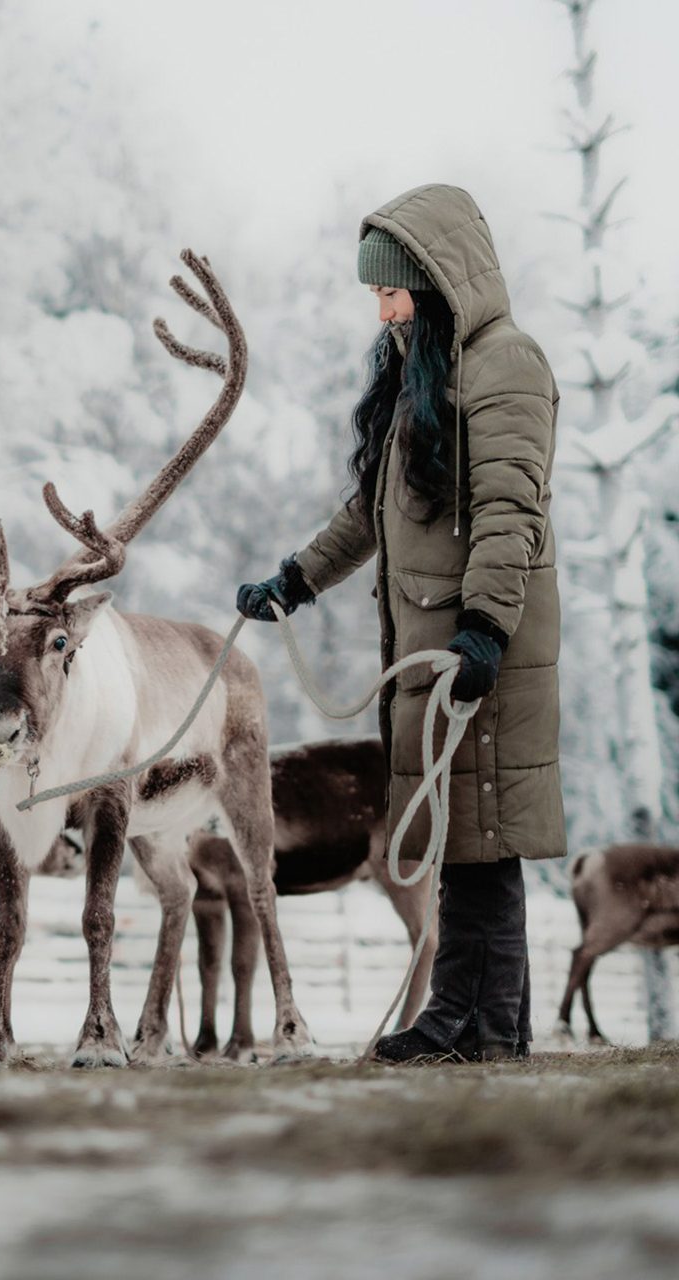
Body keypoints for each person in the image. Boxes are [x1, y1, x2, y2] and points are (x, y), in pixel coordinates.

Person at [237, 184, 564, 1063]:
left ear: (439, 280)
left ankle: (482, 1027)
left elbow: (508, 509)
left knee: (483, 833)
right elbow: (370, 513)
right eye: (376, 296)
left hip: (479, 644)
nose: (381, 313)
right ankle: (474, 1020)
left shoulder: (507, 366)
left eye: (392, 292)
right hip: (432, 645)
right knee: (459, 829)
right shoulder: (427, 372)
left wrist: (487, 628)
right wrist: (296, 581)